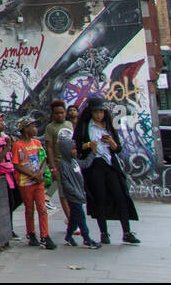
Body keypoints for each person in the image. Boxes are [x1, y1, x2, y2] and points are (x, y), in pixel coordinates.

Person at [74, 99, 140, 244]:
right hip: (94, 164)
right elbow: (76, 146)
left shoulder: (108, 126)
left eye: (101, 112)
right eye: (96, 112)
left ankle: (127, 232)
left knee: (120, 196)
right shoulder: (85, 127)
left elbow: (118, 149)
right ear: (91, 113)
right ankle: (104, 232)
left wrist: (112, 143)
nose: (99, 115)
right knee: (100, 198)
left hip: (110, 164)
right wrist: (88, 145)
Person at [12, 117, 56, 249]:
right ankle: (31, 234)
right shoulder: (18, 146)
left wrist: (40, 174)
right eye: (32, 126)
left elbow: (43, 159)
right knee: (29, 209)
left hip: (38, 182)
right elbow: (17, 165)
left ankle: (45, 235)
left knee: (42, 208)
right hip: (25, 183)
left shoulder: (37, 143)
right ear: (25, 129)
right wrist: (32, 175)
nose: (35, 129)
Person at [56, 124, 101, 248]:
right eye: (73, 149)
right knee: (81, 218)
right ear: (66, 150)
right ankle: (87, 239)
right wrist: (76, 194)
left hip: (79, 194)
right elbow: (65, 184)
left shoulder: (74, 161)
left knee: (74, 218)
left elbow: (85, 164)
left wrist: (93, 153)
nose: (75, 151)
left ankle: (68, 237)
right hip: (74, 196)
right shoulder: (64, 166)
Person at [42, 101, 70, 218]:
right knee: (63, 194)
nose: (60, 115)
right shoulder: (50, 127)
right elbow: (49, 148)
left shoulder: (69, 124)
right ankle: (70, 219)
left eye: (62, 113)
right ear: (53, 114)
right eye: (57, 113)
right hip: (59, 164)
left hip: (72, 164)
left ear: (65, 112)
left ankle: (73, 218)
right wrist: (53, 168)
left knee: (73, 193)